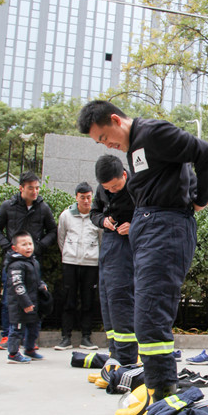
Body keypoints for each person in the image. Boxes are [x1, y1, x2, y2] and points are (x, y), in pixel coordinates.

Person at [77, 101, 208, 411]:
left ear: (115, 120)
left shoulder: (152, 133)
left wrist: (201, 200)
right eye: (100, 142)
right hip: (151, 230)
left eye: (104, 137)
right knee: (145, 319)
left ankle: (163, 403)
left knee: (150, 319)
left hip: (165, 229)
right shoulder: (136, 147)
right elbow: (175, 175)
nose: (107, 145)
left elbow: (206, 152)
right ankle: (158, 396)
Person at [0, 171, 57, 352]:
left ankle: (29, 340)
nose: (35, 192)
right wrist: (8, 247)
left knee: (33, 299)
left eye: (37, 188)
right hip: (12, 262)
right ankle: (7, 335)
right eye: (30, 188)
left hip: (33, 263)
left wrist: (39, 247)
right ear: (21, 188)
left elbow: (52, 231)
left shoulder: (43, 208)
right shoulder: (8, 206)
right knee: (10, 299)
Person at [90, 155, 138, 366]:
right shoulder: (103, 189)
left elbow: (153, 216)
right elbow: (94, 212)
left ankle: (126, 359)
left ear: (124, 175)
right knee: (107, 299)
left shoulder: (139, 187)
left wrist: (134, 227)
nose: (112, 190)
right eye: (107, 187)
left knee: (121, 299)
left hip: (128, 247)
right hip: (109, 245)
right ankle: (115, 354)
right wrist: (103, 221)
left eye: (116, 186)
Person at [55, 182, 102, 351]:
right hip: (70, 263)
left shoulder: (96, 217)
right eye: (82, 197)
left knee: (88, 301)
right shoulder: (66, 215)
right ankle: (65, 337)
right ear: (76, 197)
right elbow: (61, 238)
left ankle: (86, 337)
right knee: (68, 300)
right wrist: (69, 254)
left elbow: (101, 240)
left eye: (89, 197)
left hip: (91, 264)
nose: (86, 201)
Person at [5, 230, 49, 364]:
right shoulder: (16, 265)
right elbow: (18, 286)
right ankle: (13, 354)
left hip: (33, 303)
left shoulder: (33, 261)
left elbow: (35, 280)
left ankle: (29, 349)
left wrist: (42, 285)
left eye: (30, 244)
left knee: (34, 327)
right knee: (17, 329)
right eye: (24, 245)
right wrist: (26, 303)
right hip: (20, 305)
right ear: (15, 248)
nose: (28, 247)